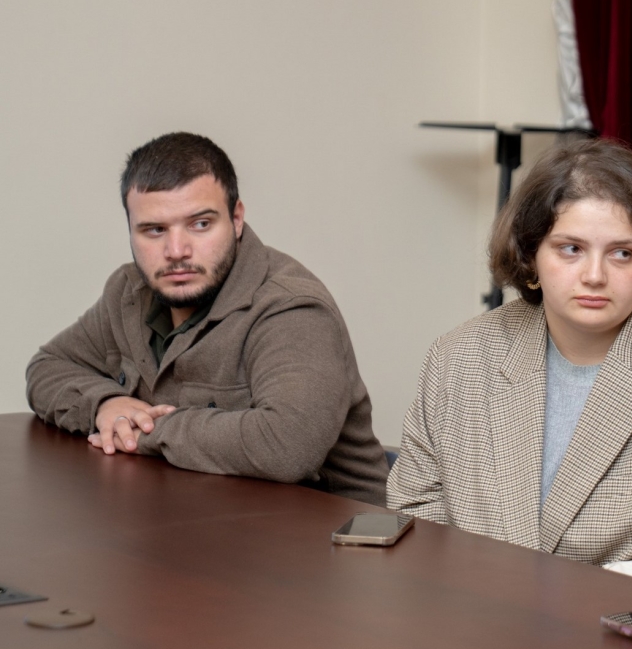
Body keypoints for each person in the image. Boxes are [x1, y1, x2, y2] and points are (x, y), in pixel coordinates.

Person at [387, 138, 632, 606]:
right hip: (470, 622)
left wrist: (586, 597)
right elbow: (416, 510)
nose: (595, 275)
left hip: (623, 635)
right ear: (531, 255)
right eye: (571, 249)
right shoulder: (460, 355)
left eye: (622, 253)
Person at [27, 132, 387, 504]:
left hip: (327, 528)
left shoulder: (291, 308)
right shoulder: (128, 291)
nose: (176, 251)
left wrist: (145, 430)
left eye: (200, 224)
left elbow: (287, 445)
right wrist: (105, 405)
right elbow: (47, 367)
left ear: (236, 219)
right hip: (192, 514)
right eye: (155, 230)